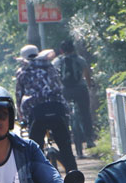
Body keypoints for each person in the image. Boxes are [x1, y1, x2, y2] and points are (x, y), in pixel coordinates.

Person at [14, 44, 78, 172]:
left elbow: (19, 96)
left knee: (34, 151)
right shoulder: (50, 67)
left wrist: (21, 116)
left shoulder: (22, 72)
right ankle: (74, 178)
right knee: (66, 148)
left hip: (36, 112)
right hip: (58, 109)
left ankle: (36, 180)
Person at [53, 39, 95, 155]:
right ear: (73, 48)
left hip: (65, 91)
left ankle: (64, 138)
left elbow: (54, 77)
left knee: (63, 116)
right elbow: (87, 76)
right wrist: (89, 85)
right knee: (85, 112)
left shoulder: (57, 61)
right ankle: (89, 139)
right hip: (80, 89)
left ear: (62, 50)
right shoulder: (80, 59)